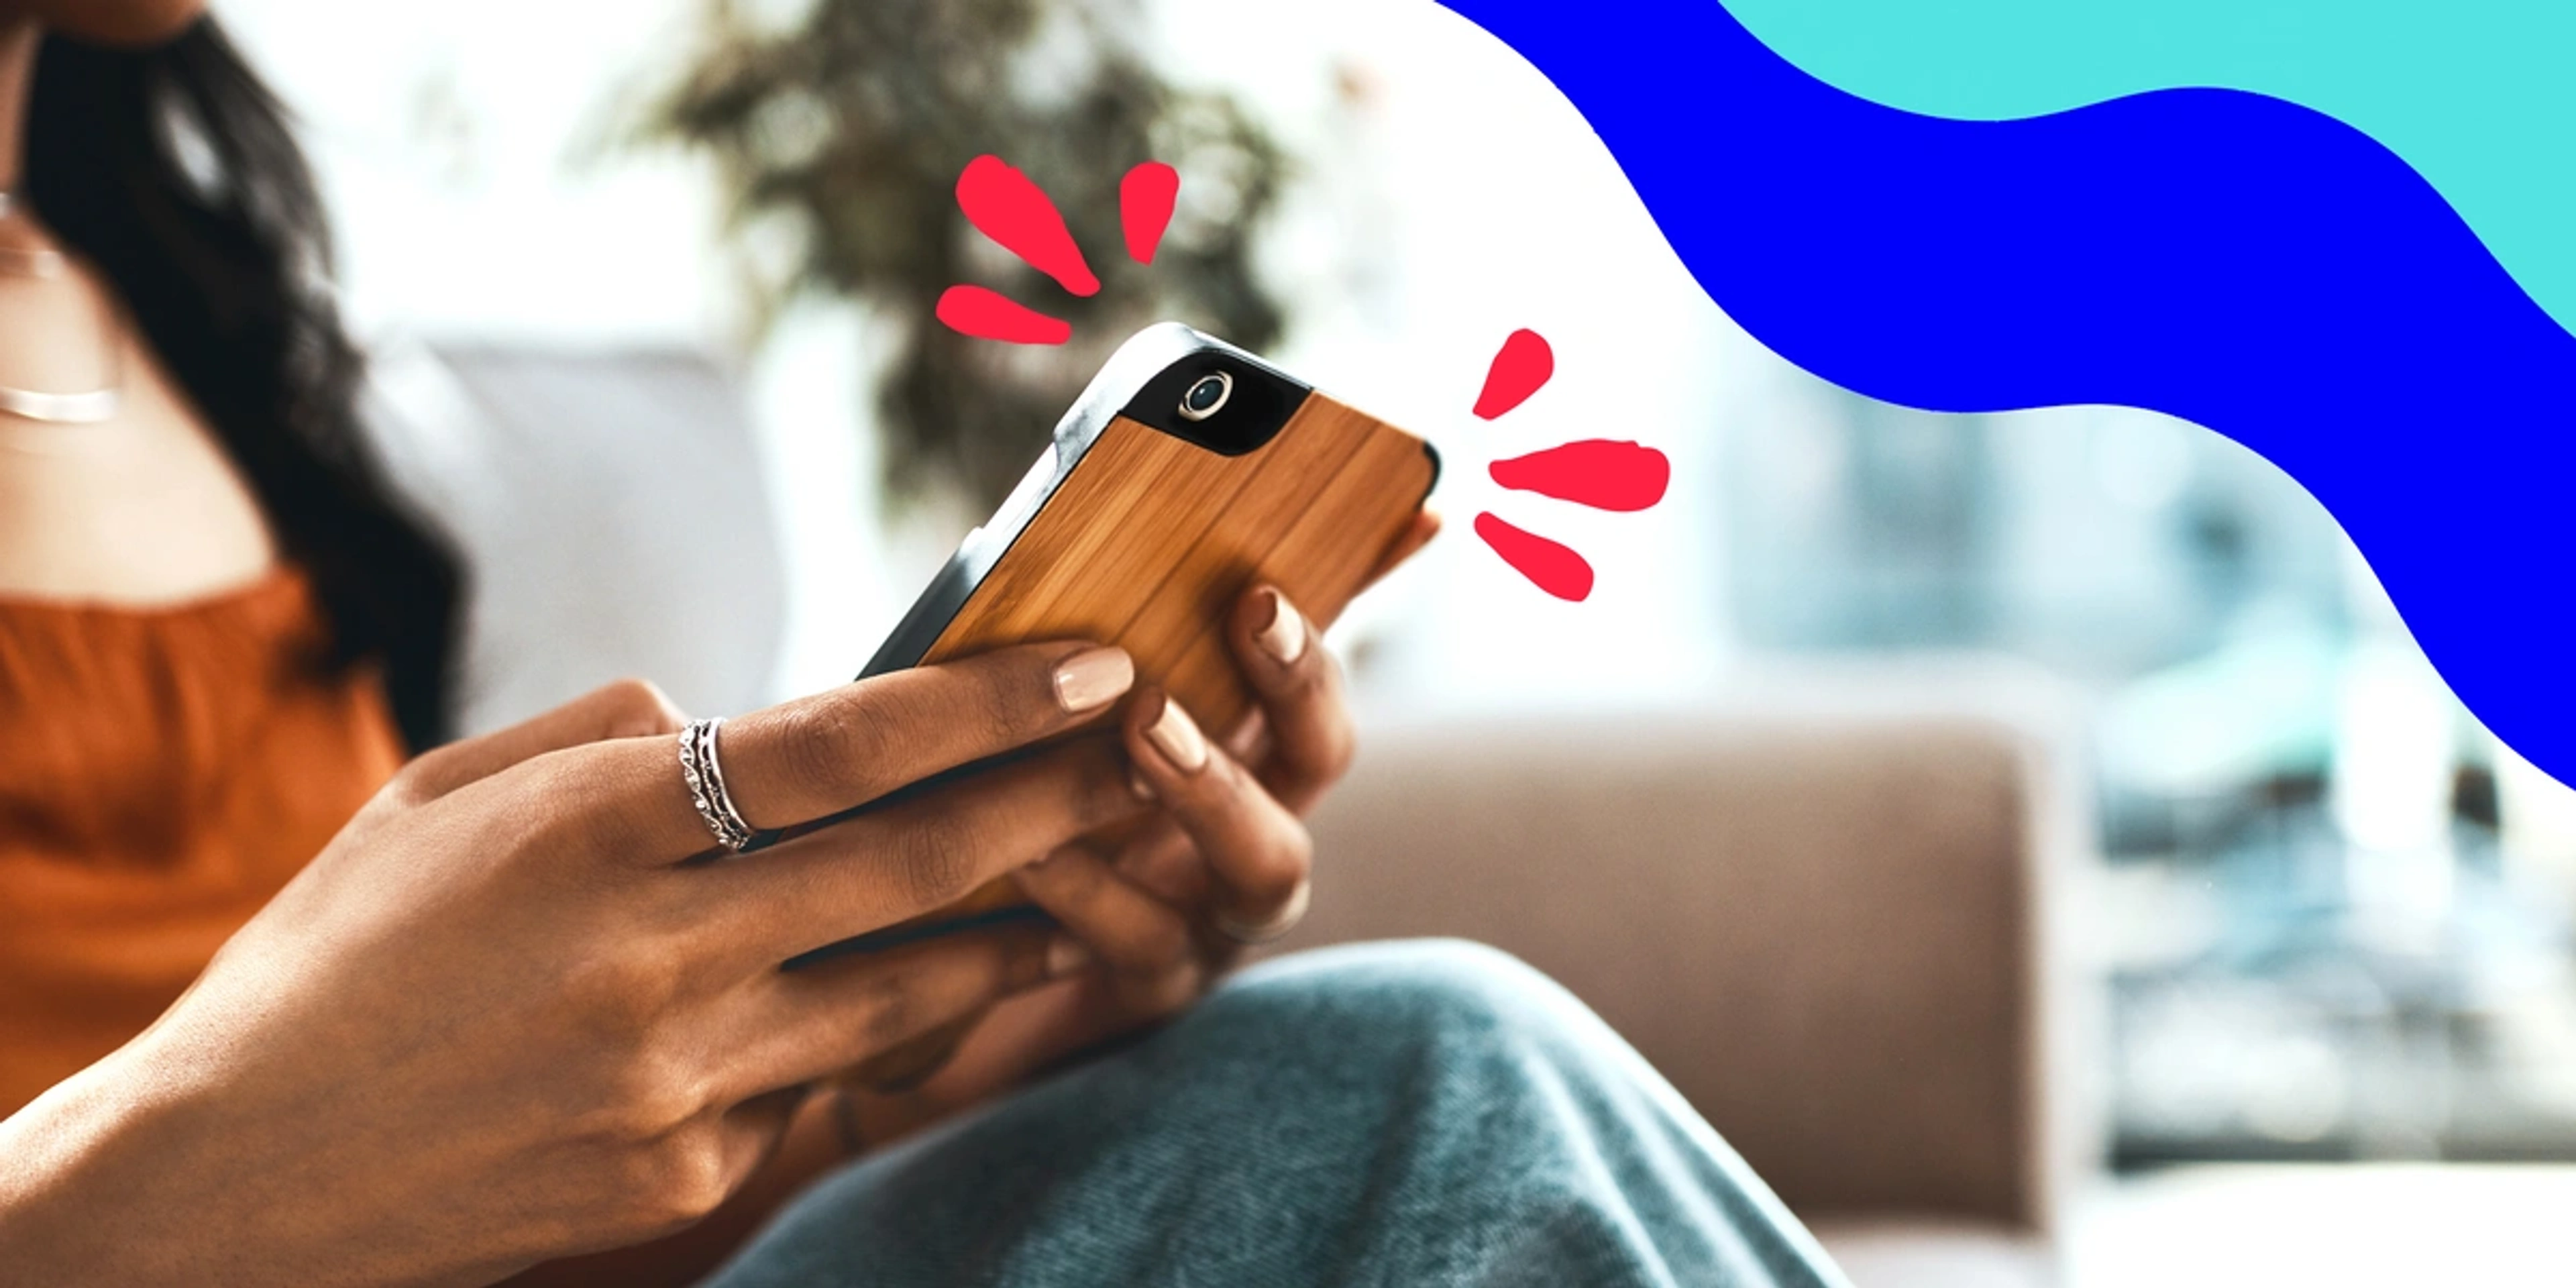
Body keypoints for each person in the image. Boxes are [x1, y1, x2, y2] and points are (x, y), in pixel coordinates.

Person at [0, 5, 1850, 1286]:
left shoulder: (180, 318)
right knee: (1435, 1080)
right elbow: (260, 1184)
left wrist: (935, 1042)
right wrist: (155, 1187)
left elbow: (454, 1218)